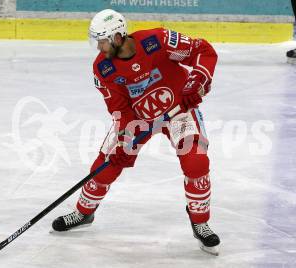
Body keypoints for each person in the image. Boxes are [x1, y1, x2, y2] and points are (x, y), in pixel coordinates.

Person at [51, 9, 220, 255]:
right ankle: (83, 212)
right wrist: (122, 143)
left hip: (179, 110)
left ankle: (200, 222)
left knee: (196, 162)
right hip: (138, 119)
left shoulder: (158, 41)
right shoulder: (103, 69)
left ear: (118, 37)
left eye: (102, 41)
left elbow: (203, 51)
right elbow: (120, 110)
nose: (99, 48)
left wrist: (197, 80)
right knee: (107, 165)